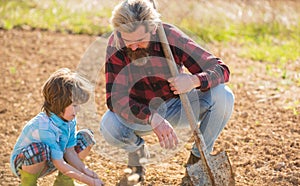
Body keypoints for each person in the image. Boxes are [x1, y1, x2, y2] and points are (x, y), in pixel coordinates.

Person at [100, 0, 234, 183]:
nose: (132, 47)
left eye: (140, 41)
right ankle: (137, 159)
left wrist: (193, 81)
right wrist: (151, 117)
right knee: (109, 126)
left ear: (153, 29)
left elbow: (221, 69)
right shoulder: (116, 42)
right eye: (128, 41)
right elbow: (115, 99)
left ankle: (197, 160)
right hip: (140, 113)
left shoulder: (170, 36)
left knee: (223, 95)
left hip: (177, 106)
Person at [10, 68, 104, 186]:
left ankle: (64, 182)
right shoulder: (44, 127)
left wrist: (86, 171)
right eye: (75, 105)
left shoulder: (69, 121)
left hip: (52, 159)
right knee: (39, 149)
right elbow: (59, 163)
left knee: (85, 137)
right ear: (60, 103)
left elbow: (70, 151)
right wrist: (90, 181)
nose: (78, 109)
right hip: (25, 164)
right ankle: (28, 183)